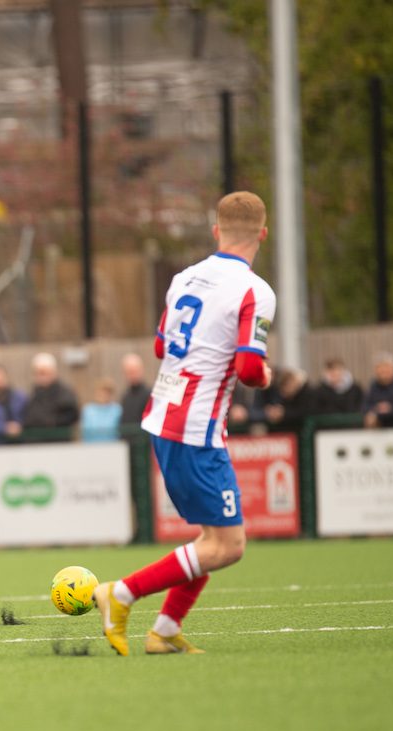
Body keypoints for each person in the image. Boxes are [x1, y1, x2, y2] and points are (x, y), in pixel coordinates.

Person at [96, 190, 276, 656]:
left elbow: (161, 347)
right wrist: (266, 374)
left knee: (211, 538)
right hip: (196, 426)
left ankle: (165, 630)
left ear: (216, 231)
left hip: (164, 415)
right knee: (228, 546)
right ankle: (121, 593)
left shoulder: (184, 278)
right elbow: (250, 369)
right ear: (263, 234)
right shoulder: (256, 291)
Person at [21, 351, 79, 437]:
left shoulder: (64, 393)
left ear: (53, 372)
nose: (41, 377)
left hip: (58, 438)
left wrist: (50, 421)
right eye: (38, 373)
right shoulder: (35, 393)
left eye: (44, 373)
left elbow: (71, 416)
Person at [261, 367, 316, 434]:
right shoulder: (287, 397)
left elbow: (304, 412)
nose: (283, 393)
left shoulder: (307, 393)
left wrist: (284, 413)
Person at [80, 378, 122, 442]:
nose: (103, 395)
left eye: (107, 393)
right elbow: (85, 432)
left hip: (112, 445)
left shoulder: (116, 409)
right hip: (92, 445)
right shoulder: (88, 410)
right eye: (101, 392)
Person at [118, 352, 150, 426]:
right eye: (129, 372)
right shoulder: (125, 396)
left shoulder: (149, 395)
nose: (132, 375)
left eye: (135, 371)